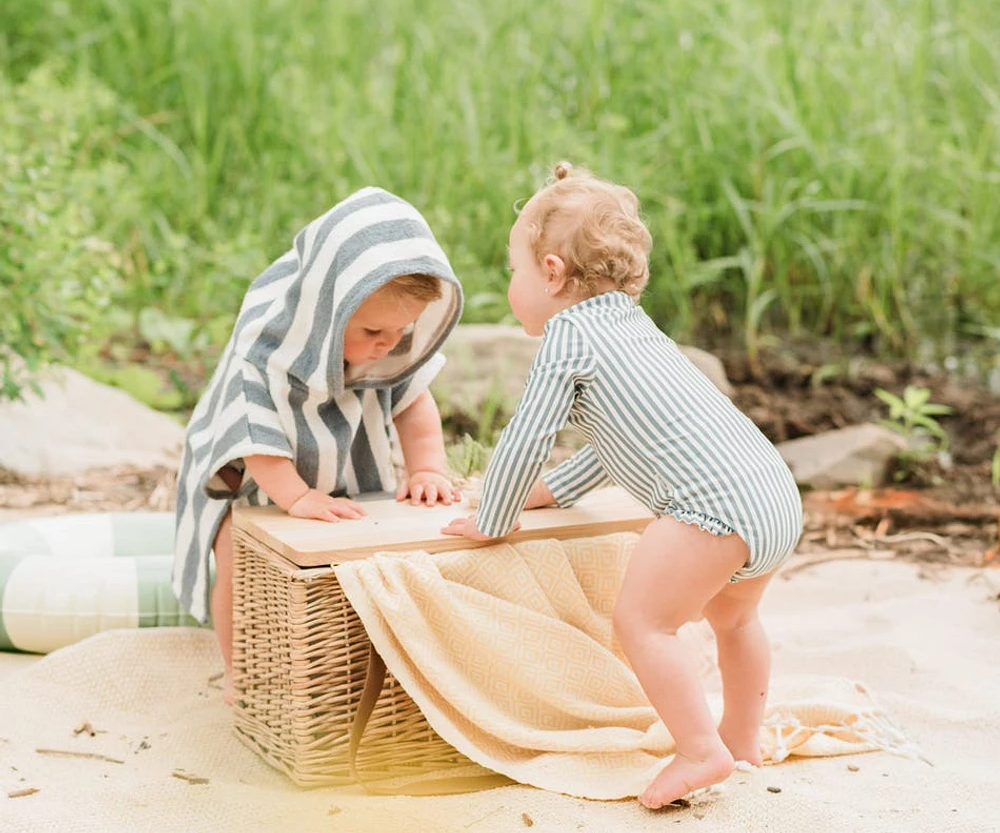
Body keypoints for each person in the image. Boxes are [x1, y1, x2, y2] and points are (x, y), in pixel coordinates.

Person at [442, 163, 802, 808]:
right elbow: (623, 442)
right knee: (737, 616)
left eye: (513, 272)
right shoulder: (634, 329)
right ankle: (741, 737)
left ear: (551, 273)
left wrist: (494, 515)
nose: (512, 287)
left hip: (711, 508)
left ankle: (700, 751)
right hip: (772, 493)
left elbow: (527, 434)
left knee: (643, 624)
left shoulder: (568, 336)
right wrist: (550, 491)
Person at [173, 187, 463, 702]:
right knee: (238, 563)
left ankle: (340, 663)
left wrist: (429, 469)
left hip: (343, 476)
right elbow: (253, 434)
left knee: (352, 570)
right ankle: (242, 671)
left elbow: (415, 406)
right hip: (255, 484)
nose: (388, 343)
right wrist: (297, 497)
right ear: (326, 313)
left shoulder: (388, 347)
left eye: (402, 330)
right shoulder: (266, 352)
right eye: (374, 328)